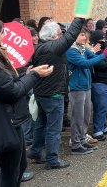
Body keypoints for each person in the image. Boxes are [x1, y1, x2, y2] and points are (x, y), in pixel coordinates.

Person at [0, 18, 53, 187]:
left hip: (7, 120)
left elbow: (8, 84)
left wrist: (27, 74)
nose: (4, 35)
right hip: (2, 122)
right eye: (1, 32)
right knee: (8, 172)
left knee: (17, 166)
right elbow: (12, 92)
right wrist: (35, 75)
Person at [28, 17, 85, 170]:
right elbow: (71, 35)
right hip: (53, 94)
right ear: (53, 36)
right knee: (54, 127)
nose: (62, 36)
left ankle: (35, 151)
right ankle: (52, 159)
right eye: (60, 34)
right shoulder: (53, 47)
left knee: (41, 124)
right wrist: (80, 16)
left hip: (41, 92)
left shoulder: (40, 47)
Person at [67, 27, 107, 155]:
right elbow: (86, 63)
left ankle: (83, 139)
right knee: (78, 117)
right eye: (82, 35)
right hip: (77, 87)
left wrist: (104, 54)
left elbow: (94, 56)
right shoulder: (71, 51)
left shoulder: (82, 49)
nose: (85, 38)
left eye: (85, 35)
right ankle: (76, 143)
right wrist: (104, 55)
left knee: (85, 116)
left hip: (86, 86)